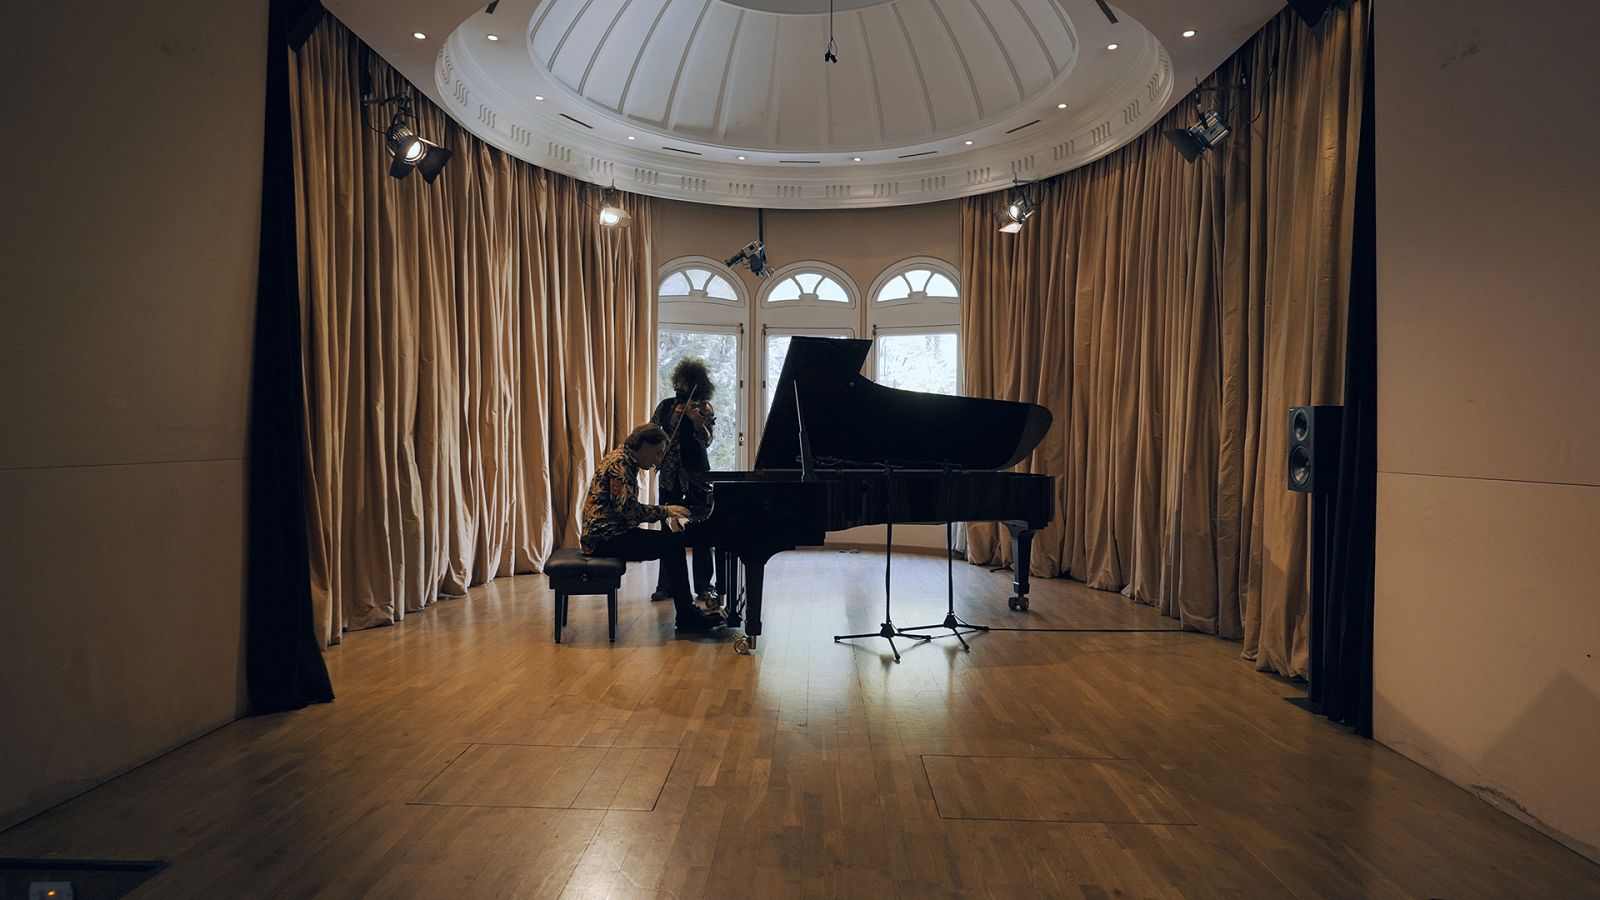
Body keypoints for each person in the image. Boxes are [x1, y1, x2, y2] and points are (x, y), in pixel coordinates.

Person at [580, 423, 725, 634]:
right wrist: (666, 511)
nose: (658, 460)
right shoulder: (622, 464)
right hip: (604, 539)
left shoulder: (622, 457)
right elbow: (627, 511)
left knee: (671, 543)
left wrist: (664, 512)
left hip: (607, 534)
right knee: (672, 544)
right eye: (657, 453)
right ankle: (686, 616)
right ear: (645, 445)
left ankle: (686, 612)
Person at [651, 358, 720, 605]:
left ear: (696, 384)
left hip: (696, 476)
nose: (680, 386)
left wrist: (697, 422)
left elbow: (707, 441)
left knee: (703, 529)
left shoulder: (704, 409)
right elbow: (652, 432)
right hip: (669, 475)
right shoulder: (666, 406)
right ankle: (666, 584)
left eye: (686, 383)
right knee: (668, 528)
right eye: (679, 382)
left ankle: (704, 585)